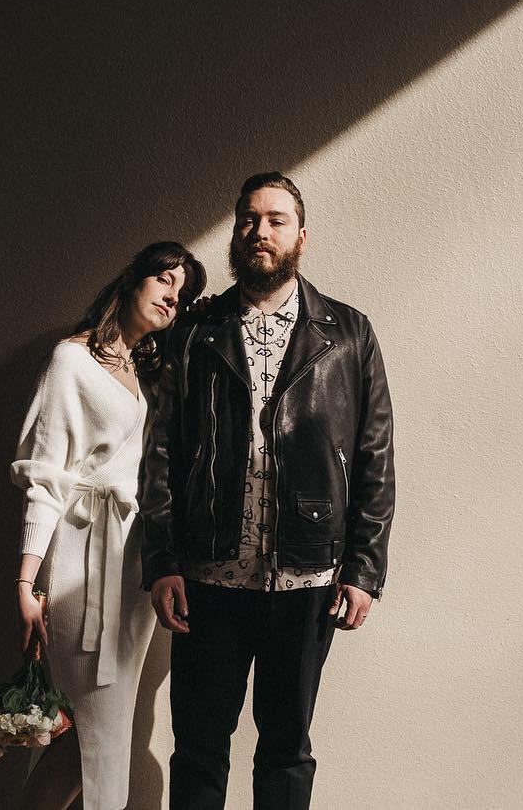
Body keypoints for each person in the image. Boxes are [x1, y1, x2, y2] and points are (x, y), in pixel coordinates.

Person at [139, 173, 396, 810]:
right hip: (209, 576)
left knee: (286, 749)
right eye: (249, 219)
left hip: (307, 581)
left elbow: (376, 459)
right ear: (236, 232)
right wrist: (162, 562)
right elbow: (161, 452)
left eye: (276, 220)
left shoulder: (349, 334)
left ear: (301, 236)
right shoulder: (198, 331)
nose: (261, 232)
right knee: (198, 747)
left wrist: (364, 569)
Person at [12, 240, 207, 810]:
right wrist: (26, 583)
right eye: (164, 280)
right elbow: (44, 476)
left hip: (133, 563)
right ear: (131, 280)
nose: (172, 297)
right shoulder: (70, 360)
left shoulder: (147, 372)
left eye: (182, 292)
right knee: (92, 724)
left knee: (107, 724)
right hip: (81, 556)